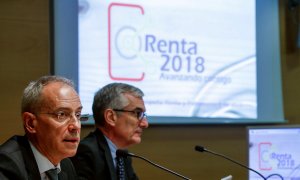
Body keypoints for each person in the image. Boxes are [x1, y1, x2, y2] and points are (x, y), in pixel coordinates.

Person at [0, 75, 84, 180]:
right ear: (30, 123)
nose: (76, 126)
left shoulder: (65, 165)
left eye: (78, 115)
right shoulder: (7, 165)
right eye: (61, 114)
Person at [71, 83, 149, 180]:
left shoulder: (122, 155)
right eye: (138, 113)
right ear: (111, 117)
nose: (145, 124)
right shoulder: (86, 152)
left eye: (143, 115)